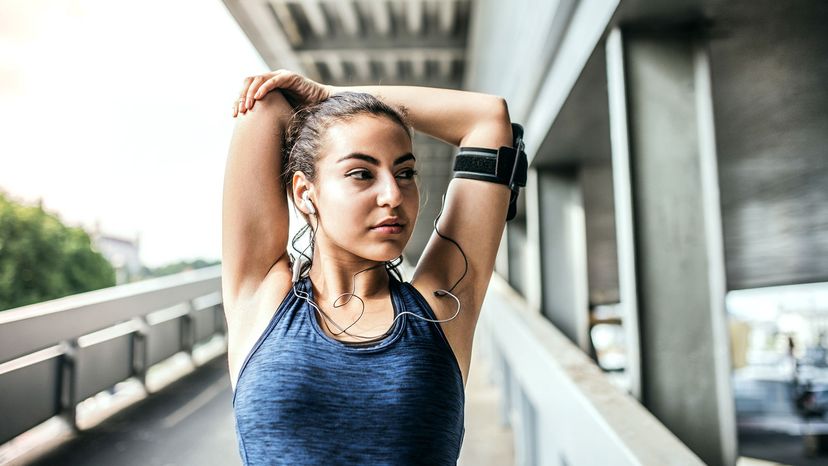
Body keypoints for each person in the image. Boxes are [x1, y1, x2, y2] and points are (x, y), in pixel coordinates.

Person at [222, 69, 520, 465]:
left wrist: (327, 93)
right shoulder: (261, 299)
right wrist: (327, 107)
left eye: (405, 172)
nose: (393, 195)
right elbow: (266, 102)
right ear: (304, 193)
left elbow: (488, 118)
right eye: (362, 173)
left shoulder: (442, 306)